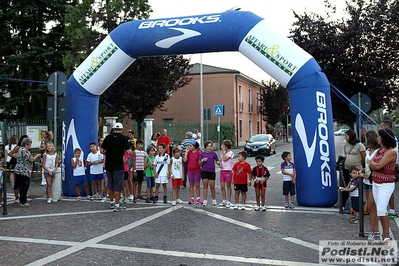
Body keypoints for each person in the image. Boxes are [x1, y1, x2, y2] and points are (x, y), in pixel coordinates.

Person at [369, 128, 397, 246]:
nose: (377, 138)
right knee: (379, 210)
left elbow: (377, 165)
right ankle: (383, 234)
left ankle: (386, 236)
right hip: (376, 182)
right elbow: (370, 163)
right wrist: (373, 165)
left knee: (381, 209)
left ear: (384, 138)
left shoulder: (391, 152)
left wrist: (374, 165)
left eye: (379, 136)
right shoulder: (379, 151)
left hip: (386, 184)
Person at [101, 122, 132, 212]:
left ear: (114, 129)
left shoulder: (108, 137)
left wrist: (108, 153)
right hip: (118, 165)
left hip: (108, 165)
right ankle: (117, 205)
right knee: (118, 186)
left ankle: (111, 202)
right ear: (121, 130)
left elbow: (102, 150)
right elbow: (129, 151)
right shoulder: (123, 138)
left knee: (110, 185)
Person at [359, 130, 379, 239]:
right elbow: (367, 165)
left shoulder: (378, 152)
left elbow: (377, 166)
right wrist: (362, 171)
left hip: (373, 180)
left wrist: (368, 174)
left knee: (372, 206)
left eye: (366, 138)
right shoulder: (367, 151)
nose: (364, 140)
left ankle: (373, 230)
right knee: (370, 206)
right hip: (365, 180)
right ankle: (373, 229)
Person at [14, 138, 41, 207]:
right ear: (26, 145)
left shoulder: (19, 150)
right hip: (24, 171)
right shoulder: (24, 151)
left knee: (21, 186)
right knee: (24, 187)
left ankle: (22, 200)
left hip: (18, 170)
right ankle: (23, 202)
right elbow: (31, 159)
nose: (30, 146)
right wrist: (37, 156)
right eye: (30, 145)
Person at [342, 129, 366, 206]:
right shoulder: (346, 145)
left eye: (346, 136)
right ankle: (344, 204)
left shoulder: (359, 145)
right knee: (346, 184)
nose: (345, 137)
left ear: (351, 136)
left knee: (355, 186)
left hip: (356, 168)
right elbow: (346, 154)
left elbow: (363, 156)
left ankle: (357, 205)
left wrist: (360, 164)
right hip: (347, 168)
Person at [380, 120, 398, 217]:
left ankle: (391, 209)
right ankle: (389, 208)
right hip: (389, 164)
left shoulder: (390, 138)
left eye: (382, 126)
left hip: (391, 166)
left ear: (386, 127)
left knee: (389, 189)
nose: (380, 127)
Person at [8, 134, 29, 203]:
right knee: (17, 182)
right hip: (16, 164)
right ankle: (17, 197)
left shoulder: (26, 148)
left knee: (23, 183)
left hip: (23, 166)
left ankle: (23, 196)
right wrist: (17, 157)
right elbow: (10, 153)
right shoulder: (18, 147)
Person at [199, 140, 220, 206]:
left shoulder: (214, 154)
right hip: (204, 171)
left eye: (210, 146)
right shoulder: (202, 154)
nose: (209, 147)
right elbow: (199, 164)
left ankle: (214, 200)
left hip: (211, 171)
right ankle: (205, 200)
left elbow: (217, 160)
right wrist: (202, 160)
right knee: (205, 186)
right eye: (208, 146)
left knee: (212, 186)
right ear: (205, 147)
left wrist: (218, 163)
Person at [183, 140, 202, 204]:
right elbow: (185, 160)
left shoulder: (199, 153)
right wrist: (186, 153)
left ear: (194, 146)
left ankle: (198, 198)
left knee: (197, 184)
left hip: (197, 170)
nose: (189, 147)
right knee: (191, 185)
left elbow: (200, 162)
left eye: (190, 145)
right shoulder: (189, 152)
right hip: (190, 170)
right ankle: (192, 198)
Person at [219, 140, 234, 208]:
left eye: (223, 145)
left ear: (226, 146)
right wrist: (220, 164)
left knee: (228, 186)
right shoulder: (224, 153)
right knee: (222, 186)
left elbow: (225, 159)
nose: (222, 146)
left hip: (228, 171)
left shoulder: (231, 153)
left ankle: (228, 200)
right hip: (222, 171)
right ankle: (224, 199)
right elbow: (222, 161)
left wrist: (223, 151)